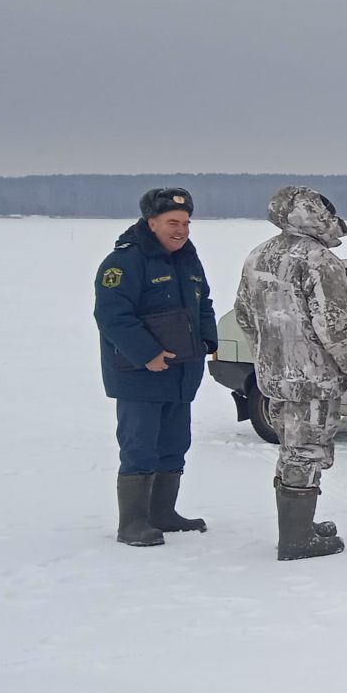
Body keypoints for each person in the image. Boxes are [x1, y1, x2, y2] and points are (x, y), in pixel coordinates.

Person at [234, 186, 347, 561]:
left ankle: (301, 526)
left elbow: (245, 317)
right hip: (313, 380)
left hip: (275, 379)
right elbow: (337, 329)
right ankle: (296, 539)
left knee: (290, 450)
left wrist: (269, 358)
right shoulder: (319, 260)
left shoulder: (258, 256)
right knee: (306, 452)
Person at [93, 187, 219, 546]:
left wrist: (209, 340)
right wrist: (146, 353)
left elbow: (203, 303)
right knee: (139, 446)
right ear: (151, 223)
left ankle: (162, 513)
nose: (181, 230)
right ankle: (132, 523)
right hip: (140, 376)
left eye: (186, 223)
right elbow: (111, 316)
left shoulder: (187, 259)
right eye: (172, 223)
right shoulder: (124, 262)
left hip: (181, 372)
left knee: (175, 443)